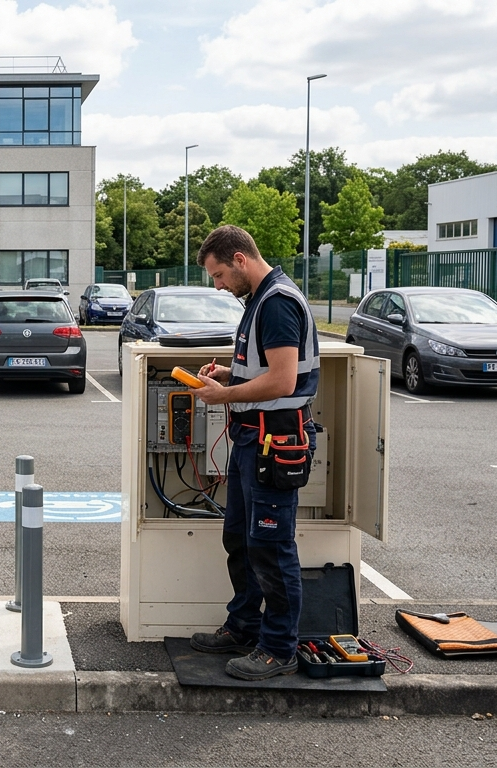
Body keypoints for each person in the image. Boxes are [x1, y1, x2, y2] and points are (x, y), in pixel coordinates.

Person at [187, 225, 320, 681]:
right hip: (252, 439)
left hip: (275, 440)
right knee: (241, 540)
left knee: (270, 547)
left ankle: (279, 647)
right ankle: (244, 626)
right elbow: (267, 367)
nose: (219, 285)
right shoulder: (259, 300)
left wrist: (223, 395)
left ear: (241, 259)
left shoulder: (277, 303)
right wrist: (232, 370)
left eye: (220, 274)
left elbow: (283, 382)